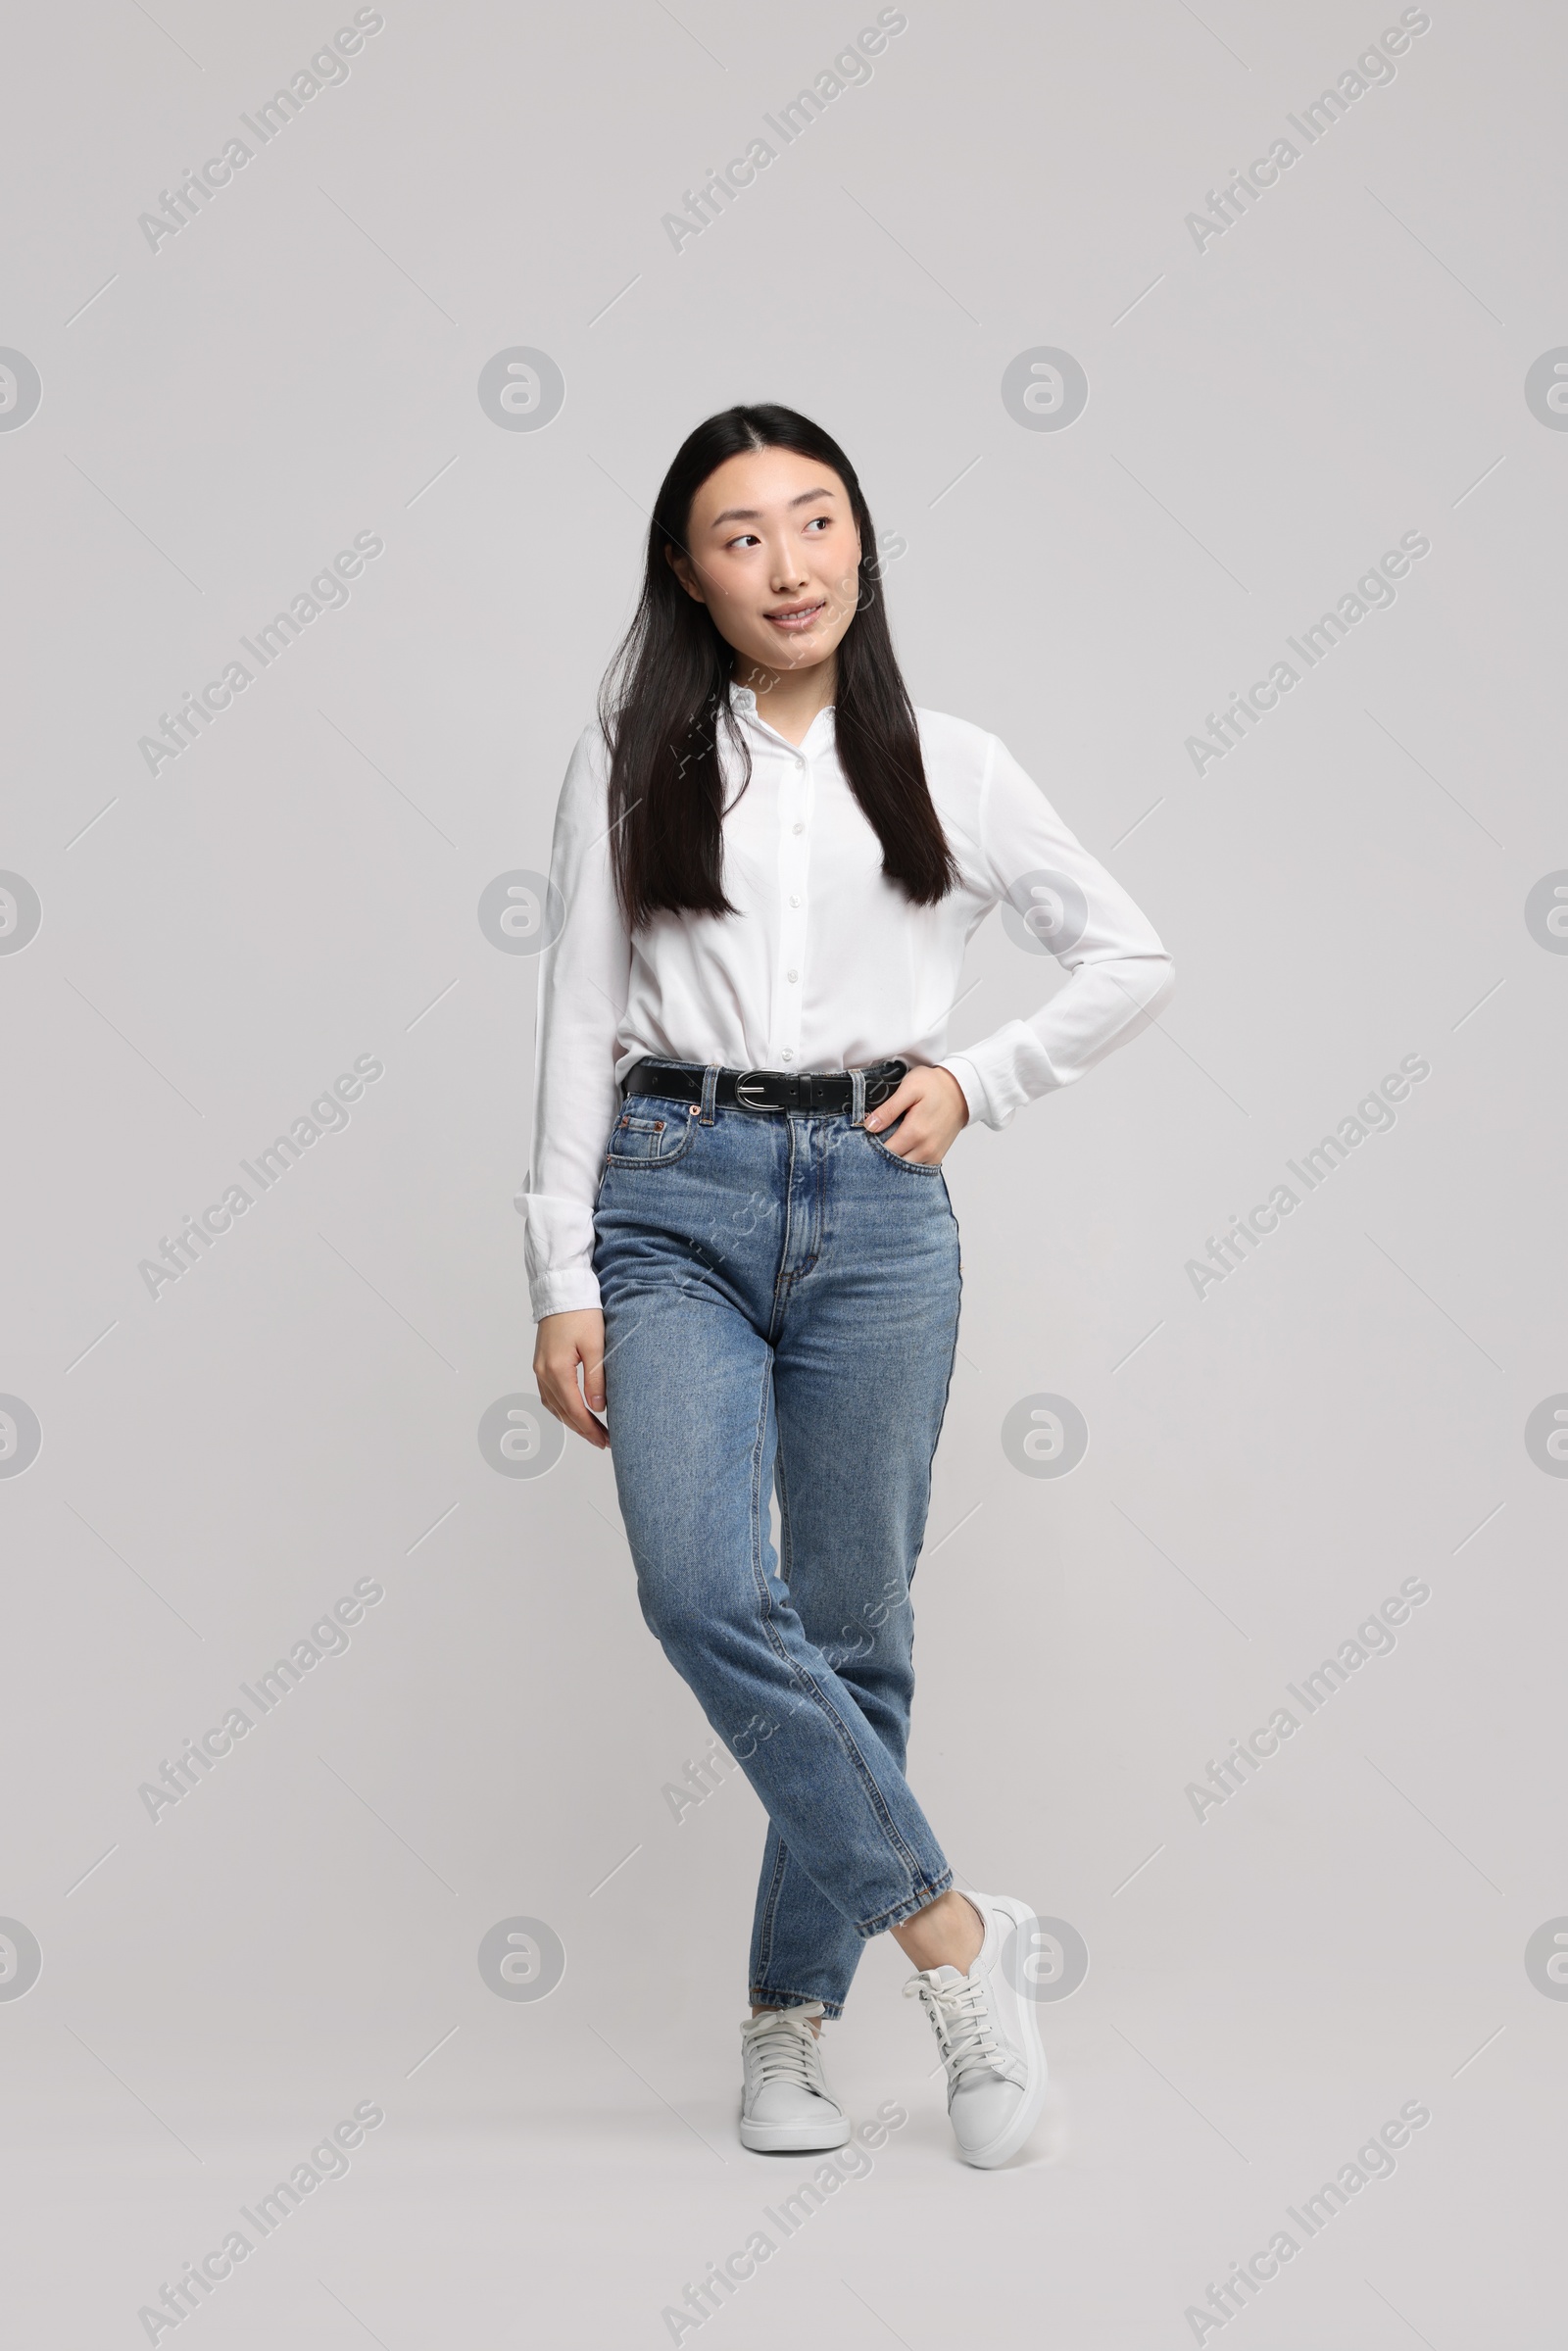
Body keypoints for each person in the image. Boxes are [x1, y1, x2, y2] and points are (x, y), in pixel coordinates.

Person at [520, 403, 1173, 2169]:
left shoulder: (949, 762)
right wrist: (559, 1267)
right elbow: (580, 1018)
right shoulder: (631, 753)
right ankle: (957, 1944)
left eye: (816, 522)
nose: (787, 564)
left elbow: (1133, 954)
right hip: (670, 1197)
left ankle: (789, 2024)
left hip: (880, 1213)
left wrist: (982, 1081)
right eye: (742, 535)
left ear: (864, 543)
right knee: (706, 1588)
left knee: (859, 1623)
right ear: (689, 571)